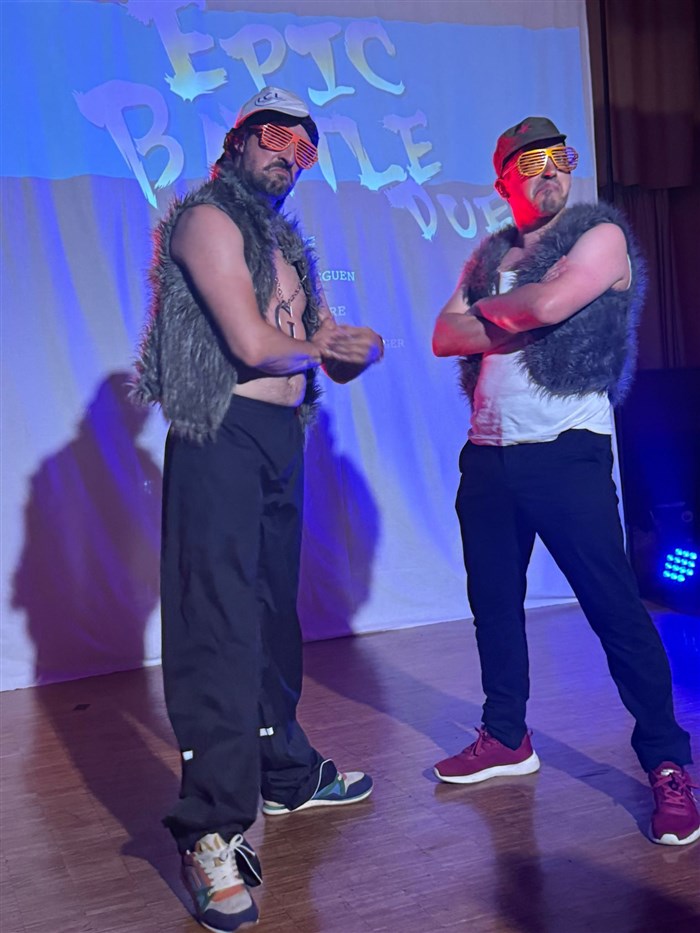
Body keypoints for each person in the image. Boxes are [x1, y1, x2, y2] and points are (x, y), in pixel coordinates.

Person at [133, 86, 383, 932]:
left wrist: (352, 350)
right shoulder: (206, 219)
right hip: (221, 429)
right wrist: (322, 345)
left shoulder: (289, 246)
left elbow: (316, 349)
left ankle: (286, 773)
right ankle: (209, 829)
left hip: (281, 437)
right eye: (276, 136)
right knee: (217, 626)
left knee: (274, 615)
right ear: (238, 140)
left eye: (305, 147)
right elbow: (249, 342)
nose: (289, 156)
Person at [431, 116, 699, 847]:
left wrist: (500, 312)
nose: (549, 171)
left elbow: (548, 306)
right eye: (531, 162)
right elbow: (444, 335)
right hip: (488, 453)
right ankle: (506, 736)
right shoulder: (490, 255)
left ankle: (668, 763)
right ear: (504, 180)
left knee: (615, 609)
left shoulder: (598, 237)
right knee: (493, 605)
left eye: (559, 157)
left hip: (566, 451)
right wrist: (518, 308)